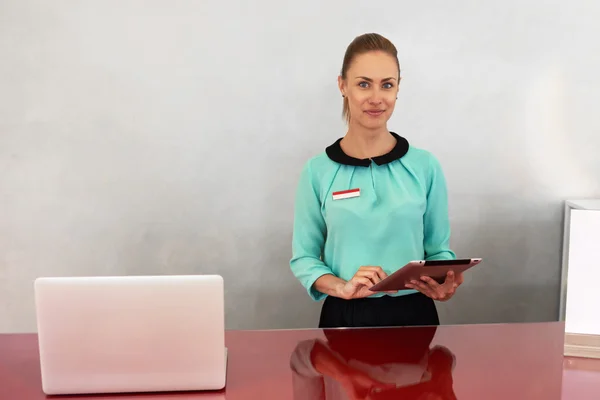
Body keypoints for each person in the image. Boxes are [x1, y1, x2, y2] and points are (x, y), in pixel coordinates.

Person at [289, 32, 462, 328]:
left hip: (415, 317)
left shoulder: (425, 166)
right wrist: (341, 287)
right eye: (363, 84)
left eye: (387, 85)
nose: (376, 98)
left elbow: (439, 251)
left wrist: (444, 282)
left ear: (398, 89)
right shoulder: (317, 171)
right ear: (343, 85)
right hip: (344, 316)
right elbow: (304, 259)